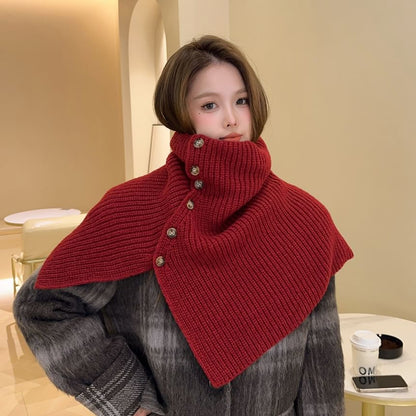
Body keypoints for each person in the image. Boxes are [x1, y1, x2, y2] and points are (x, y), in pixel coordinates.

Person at [14, 35, 353, 416]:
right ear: (181, 113)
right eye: (210, 105)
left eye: (242, 100)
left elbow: (321, 361)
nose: (232, 118)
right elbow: (43, 308)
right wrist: (130, 402)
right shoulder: (131, 208)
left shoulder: (305, 218)